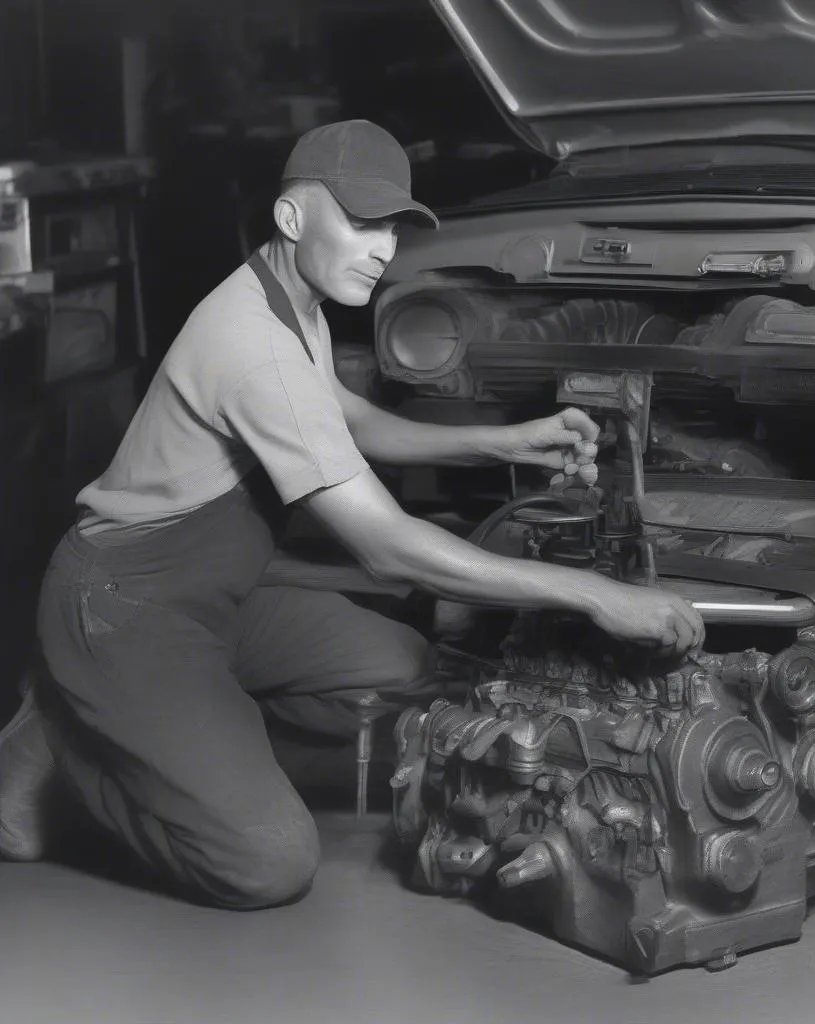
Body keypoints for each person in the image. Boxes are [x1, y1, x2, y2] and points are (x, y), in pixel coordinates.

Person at [0, 121, 703, 909]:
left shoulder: (290, 300)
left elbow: (347, 422)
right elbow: (387, 551)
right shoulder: (251, 343)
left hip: (211, 605)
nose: (384, 249)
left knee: (407, 669)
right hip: (125, 609)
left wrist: (507, 440)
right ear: (293, 218)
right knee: (269, 862)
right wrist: (599, 595)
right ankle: (70, 737)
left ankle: (176, 732)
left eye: (394, 228)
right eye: (363, 223)